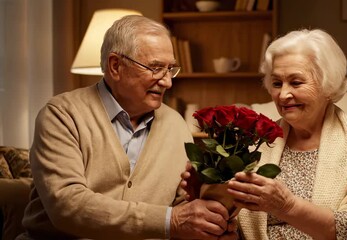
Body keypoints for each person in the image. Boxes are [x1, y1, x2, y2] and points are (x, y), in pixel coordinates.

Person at [18, 15, 237, 240]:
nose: (167, 81)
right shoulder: (62, 114)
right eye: (156, 68)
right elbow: (67, 205)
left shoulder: (175, 124)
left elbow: (180, 207)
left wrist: (211, 224)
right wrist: (170, 221)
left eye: (171, 69)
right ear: (115, 66)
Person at [182, 29, 347, 239]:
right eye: (276, 83)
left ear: (328, 84)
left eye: (296, 82)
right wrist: (205, 199)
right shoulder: (254, 142)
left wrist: (286, 206)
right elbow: (239, 229)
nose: (283, 94)